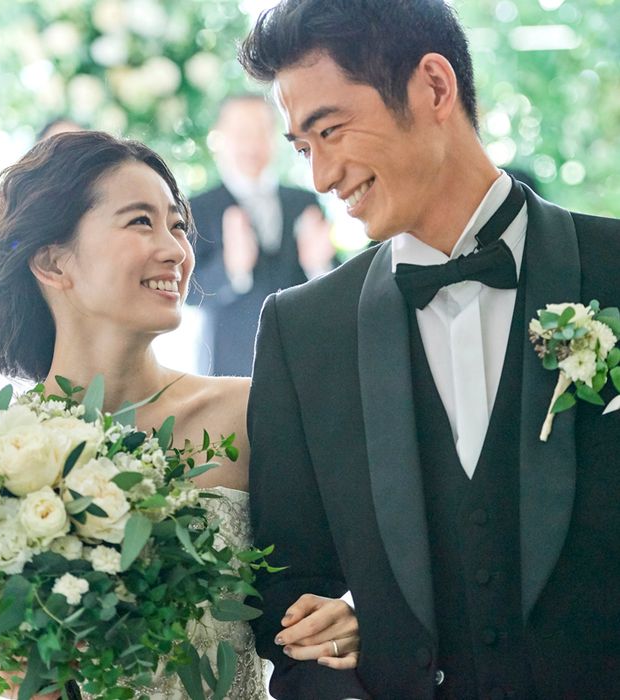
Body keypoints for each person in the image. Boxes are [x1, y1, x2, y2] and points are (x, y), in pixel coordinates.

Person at [239, 1, 620, 698]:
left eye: (330, 131)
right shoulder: (303, 332)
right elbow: (286, 601)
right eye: (303, 148)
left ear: (434, 88)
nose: (321, 176)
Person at [0, 131, 359, 698]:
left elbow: (321, 594)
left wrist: (346, 625)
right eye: (140, 222)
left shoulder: (250, 416)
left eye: (177, 225)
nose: (176, 250)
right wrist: (2, 678)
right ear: (52, 262)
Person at [188, 94, 335, 376]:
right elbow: (188, 294)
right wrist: (231, 269)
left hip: (302, 361)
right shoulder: (197, 208)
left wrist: (320, 266)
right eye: (242, 133)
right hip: (229, 368)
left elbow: (334, 287)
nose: (252, 143)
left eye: (262, 131)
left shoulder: (304, 202)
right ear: (219, 138)